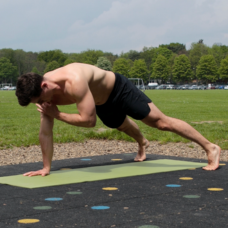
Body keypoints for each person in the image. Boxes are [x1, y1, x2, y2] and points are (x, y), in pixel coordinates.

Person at [16, 63, 221, 176]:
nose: (42, 104)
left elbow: (89, 121)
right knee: (119, 125)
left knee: (160, 122)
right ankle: (142, 142)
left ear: (44, 86)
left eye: (41, 100)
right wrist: (45, 168)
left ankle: (210, 147)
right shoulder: (45, 94)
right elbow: (45, 131)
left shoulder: (74, 81)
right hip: (100, 101)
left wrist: (58, 114)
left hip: (118, 90)